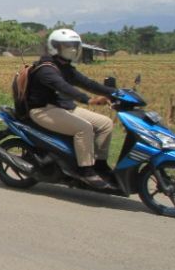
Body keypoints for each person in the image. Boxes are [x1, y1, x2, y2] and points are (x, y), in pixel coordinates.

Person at [26, 28, 114, 189]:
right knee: (84, 128)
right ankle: (85, 171)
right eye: (68, 46)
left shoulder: (65, 67)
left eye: (74, 46)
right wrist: (89, 100)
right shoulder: (46, 69)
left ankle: (100, 165)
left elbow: (87, 83)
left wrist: (116, 93)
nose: (72, 50)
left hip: (64, 107)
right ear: (55, 47)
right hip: (43, 110)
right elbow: (65, 88)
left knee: (105, 123)